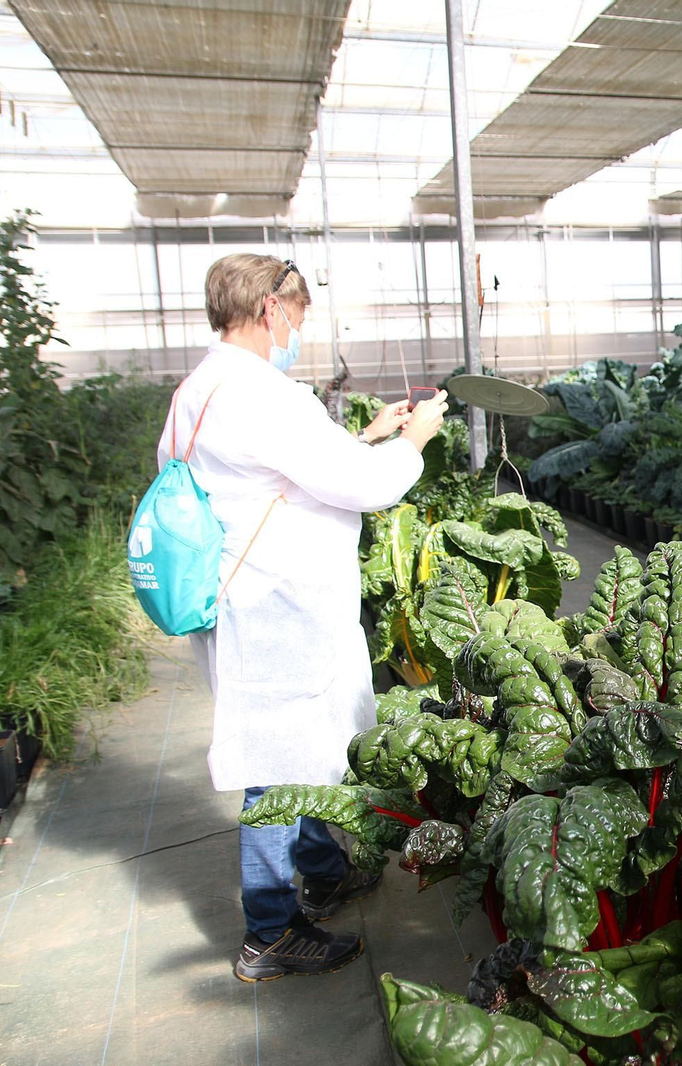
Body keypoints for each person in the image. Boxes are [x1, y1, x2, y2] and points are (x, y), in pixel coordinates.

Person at [155, 253, 449, 982]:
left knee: (309, 743)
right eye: (298, 316)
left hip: (252, 597)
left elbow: (281, 475)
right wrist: (411, 442)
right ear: (270, 311)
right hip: (273, 606)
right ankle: (269, 932)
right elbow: (359, 487)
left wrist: (370, 433)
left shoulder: (203, 386)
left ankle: (321, 869)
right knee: (276, 763)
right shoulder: (261, 396)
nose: (298, 331)